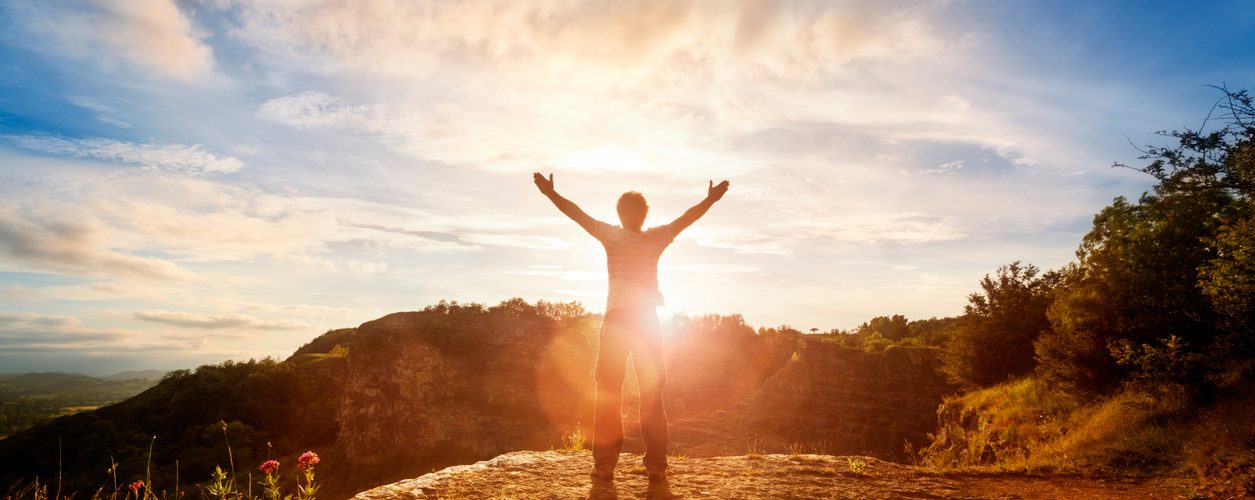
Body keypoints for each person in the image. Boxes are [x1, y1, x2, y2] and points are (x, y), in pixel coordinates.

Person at [532, 172, 730, 482]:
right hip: (647, 320)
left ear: (620, 215)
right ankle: (655, 465)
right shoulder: (656, 237)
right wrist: (710, 200)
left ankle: (605, 463)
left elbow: (577, 214)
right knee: (652, 393)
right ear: (644, 215)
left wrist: (549, 194)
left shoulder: (611, 235)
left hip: (618, 320)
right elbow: (686, 218)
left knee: (608, 390)